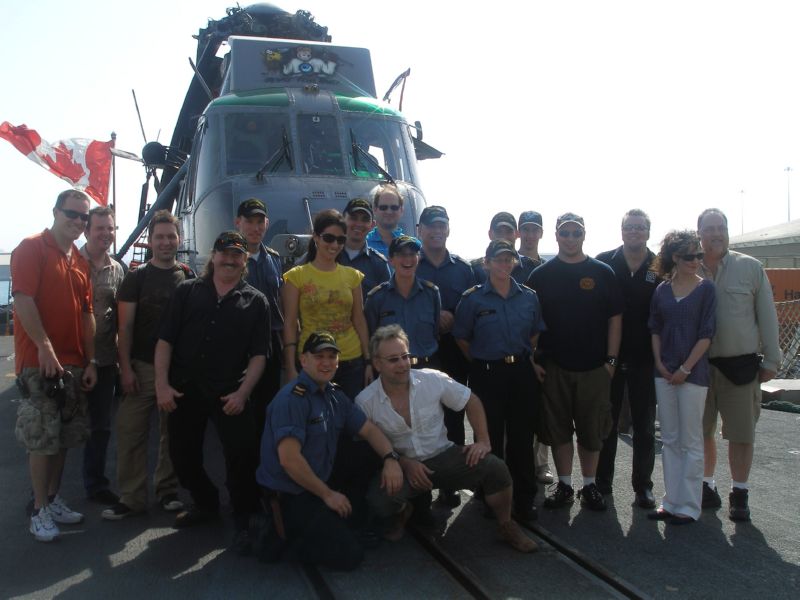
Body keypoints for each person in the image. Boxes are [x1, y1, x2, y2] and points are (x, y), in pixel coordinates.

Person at [357, 325, 537, 552]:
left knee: (496, 468)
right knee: (377, 501)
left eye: (405, 356)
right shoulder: (365, 402)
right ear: (377, 363)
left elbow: (471, 400)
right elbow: (371, 447)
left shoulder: (432, 379)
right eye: (393, 360)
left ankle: (505, 525)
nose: (403, 364)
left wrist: (483, 441)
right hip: (404, 464)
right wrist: (402, 462)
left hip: (444, 456)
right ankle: (403, 511)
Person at [155, 231, 268, 552]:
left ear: (245, 260)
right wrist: (162, 384)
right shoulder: (187, 293)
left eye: (237, 255)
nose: (229, 260)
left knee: (241, 458)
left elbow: (260, 354)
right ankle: (206, 504)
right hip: (184, 390)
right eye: (224, 253)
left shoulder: (256, 302)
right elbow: (165, 340)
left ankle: (244, 515)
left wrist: (243, 393)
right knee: (182, 456)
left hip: (229, 392)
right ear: (213, 255)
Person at [256, 331, 403, 570]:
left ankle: (342, 522)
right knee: (350, 556)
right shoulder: (292, 400)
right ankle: (278, 536)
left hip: (319, 479)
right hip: (292, 492)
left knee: (368, 454)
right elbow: (289, 461)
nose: (326, 362)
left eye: (331, 356)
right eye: (319, 356)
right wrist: (328, 495)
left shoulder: (334, 395)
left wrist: (391, 458)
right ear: (303, 361)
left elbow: (369, 430)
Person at [12, 189, 97, 542]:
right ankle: (38, 510)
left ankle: (52, 498)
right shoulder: (31, 248)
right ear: (56, 212)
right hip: (40, 363)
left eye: (83, 217)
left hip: (74, 364)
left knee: (63, 437)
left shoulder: (78, 259)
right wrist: (44, 347)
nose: (77, 221)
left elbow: (87, 314)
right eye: (72, 214)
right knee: (42, 438)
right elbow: (22, 300)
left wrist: (91, 361)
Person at [526, 212, 623, 512]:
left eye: (575, 233)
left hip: (595, 367)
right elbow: (528, 321)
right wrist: (532, 360)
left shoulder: (603, 272)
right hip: (554, 366)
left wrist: (611, 361)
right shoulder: (540, 276)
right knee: (558, 430)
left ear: (584, 235)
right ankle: (565, 484)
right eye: (564, 233)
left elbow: (615, 319)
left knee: (592, 431)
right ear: (555, 235)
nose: (570, 238)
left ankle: (590, 484)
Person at [102, 210, 189, 521]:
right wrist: (124, 369)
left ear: (179, 239)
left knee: (172, 435)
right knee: (130, 432)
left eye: (171, 236)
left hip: (176, 371)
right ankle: (132, 497)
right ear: (150, 241)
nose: (166, 242)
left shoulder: (187, 277)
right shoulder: (136, 279)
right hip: (141, 368)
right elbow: (124, 329)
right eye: (160, 237)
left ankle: (167, 491)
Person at [697, 208, 781, 521]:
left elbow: (767, 316)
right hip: (700, 368)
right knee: (701, 431)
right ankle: (707, 485)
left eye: (721, 228)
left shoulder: (750, 268)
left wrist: (772, 358)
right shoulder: (688, 267)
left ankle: (740, 492)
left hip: (741, 367)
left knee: (741, 433)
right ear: (699, 234)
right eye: (710, 229)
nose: (716, 234)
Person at [454, 239, 544, 521]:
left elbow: (534, 332)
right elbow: (461, 336)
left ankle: (524, 498)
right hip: (487, 373)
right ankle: (491, 494)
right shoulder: (473, 298)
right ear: (487, 263)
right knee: (489, 436)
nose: (504, 264)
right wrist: (482, 360)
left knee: (521, 438)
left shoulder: (529, 296)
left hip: (520, 373)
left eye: (509, 259)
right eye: (499, 259)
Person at [647, 230, 716, 525]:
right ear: (675, 257)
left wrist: (685, 369)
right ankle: (670, 502)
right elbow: (655, 329)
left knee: (690, 440)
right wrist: (660, 365)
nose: (696, 261)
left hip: (693, 374)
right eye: (690, 256)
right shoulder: (661, 290)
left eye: (698, 255)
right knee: (670, 439)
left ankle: (689, 505)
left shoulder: (706, 290)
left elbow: (706, 334)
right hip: (663, 373)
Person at [595, 209, 660, 508]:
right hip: (610, 357)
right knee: (606, 421)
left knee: (644, 425)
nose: (634, 232)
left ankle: (642, 487)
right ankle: (601, 483)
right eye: (629, 227)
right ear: (621, 231)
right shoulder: (604, 262)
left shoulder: (661, 265)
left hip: (645, 358)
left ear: (648, 232)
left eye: (640, 228)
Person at [415, 205, 477, 506]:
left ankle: (450, 482)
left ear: (448, 229)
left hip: (454, 349)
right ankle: (423, 484)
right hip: (424, 348)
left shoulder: (463, 269)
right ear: (420, 230)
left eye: (441, 225)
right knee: (424, 414)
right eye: (431, 226)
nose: (437, 231)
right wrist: (434, 314)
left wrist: (452, 316)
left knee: (454, 414)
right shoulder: (411, 263)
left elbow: (472, 309)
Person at [282, 209, 371, 400]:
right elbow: (290, 324)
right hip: (312, 361)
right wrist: (290, 367)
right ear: (316, 237)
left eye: (340, 240)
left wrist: (368, 360)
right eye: (329, 238)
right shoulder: (296, 276)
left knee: (349, 423)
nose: (334, 245)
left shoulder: (353, 276)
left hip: (350, 360)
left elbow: (358, 319)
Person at [80, 206, 125, 505]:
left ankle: (96, 484)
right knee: (58, 427)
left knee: (100, 427)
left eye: (110, 229)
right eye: (100, 229)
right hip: (72, 358)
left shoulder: (117, 269)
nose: (106, 235)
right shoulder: (70, 262)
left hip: (106, 359)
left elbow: (120, 316)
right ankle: (43, 494)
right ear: (87, 231)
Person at [235, 198, 284, 438]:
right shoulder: (231, 261)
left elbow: (280, 304)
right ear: (238, 223)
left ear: (266, 224)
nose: (255, 228)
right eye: (249, 222)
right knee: (242, 405)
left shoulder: (274, 259)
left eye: (259, 222)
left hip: (272, 341)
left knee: (268, 402)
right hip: (242, 343)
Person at [516, 210, 553, 485]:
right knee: (512, 411)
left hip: (540, 347)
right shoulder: (507, 264)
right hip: (513, 345)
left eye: (534, 230)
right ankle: (511, 460)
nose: (529, 235)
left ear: (541, 233)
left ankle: (541, 463)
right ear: (519, 232)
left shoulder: (547, 269)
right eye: (525, 229)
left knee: (542, 408)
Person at [364, 235, 441, 366]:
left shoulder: (431, 293)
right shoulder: (376, 298)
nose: (408, 259)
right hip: (391, 370)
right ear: (391, 260)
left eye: (412, 254)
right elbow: (371, 339)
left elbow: (435, 333)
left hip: (426, 368)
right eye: (401, 254)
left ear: (419, 258)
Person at [338, 198, 391, 298]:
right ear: (343, 220)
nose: (359, 224)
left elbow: (386, 304)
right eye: (353, 218)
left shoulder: (379, 264)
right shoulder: (327, 255)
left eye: (365, 219)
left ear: (372, 225)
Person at [472, 212, 539, 284]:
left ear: (517, 234)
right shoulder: (475, 270)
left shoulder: (531, 268)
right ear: (490, 234)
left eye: (509, 232)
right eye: (499, 232)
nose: (504, 237)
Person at [365, 183, 406, 258]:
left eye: (394, 207)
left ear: (401, 210)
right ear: (374, 209)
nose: (389, 212)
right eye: (383, 207)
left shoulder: (413, 246)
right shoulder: (363, 244)